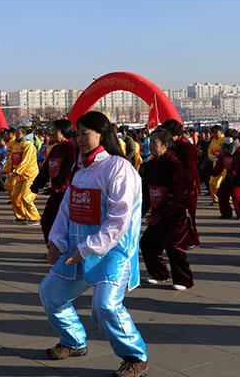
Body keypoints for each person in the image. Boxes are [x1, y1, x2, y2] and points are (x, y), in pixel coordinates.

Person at [39, 111, 148, 377]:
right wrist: (56, 241)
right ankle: (73, 340)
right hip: (76, 249)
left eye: (85, 133)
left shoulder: (118, 168)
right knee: (50, 294)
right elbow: (67, 210)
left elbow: (118, 220)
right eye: (78, 133)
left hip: (112, 252)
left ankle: (135, 356)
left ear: (102, 134)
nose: (80, 138)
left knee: (105, 306)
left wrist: (87, 249)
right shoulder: (81, 169)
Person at [140, 129, 193, 290]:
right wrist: (140, 213)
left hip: (174, 213)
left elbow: (174, 193)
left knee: (174, 247)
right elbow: (145, 192)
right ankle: (159, 274)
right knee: (148, 243)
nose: (151, 144)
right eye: (151, 141)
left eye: (155, 141)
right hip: (157, 213)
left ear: (166, 145)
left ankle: (183, 280)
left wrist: (161, 213)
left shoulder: (174, 164)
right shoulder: (149, 165)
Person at [161, 119, 201, 248]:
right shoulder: (171, 145)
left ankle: (191, 239)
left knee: (188, 214)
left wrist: (183, 185)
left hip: (187, 186)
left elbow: (190, 169)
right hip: (175, 185)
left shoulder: (185, 146)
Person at [40, 119, 79, 244]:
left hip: (65, 192)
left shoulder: (71, 148)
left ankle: (60, 248)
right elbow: (46, 169)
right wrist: (36, 185)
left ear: (63, 131)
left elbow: (70, 170)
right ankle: (53, 247)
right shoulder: (55, 149)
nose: (52, 133)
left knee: (61, 223)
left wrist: (63, 186)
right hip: (55, 192)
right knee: (47, 220)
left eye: (55, 130)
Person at [2, 126, 40, 225]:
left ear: (24, 134)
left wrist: (16, 171)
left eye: (19, 133)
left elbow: (26, 161)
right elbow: (10, 159)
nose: (17, 134)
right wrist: (6, 170)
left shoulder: (29, 145)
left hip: (29, 174)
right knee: (14, 196)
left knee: (25, 196)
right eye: (16, 132)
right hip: (19, 175)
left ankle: (34, 217)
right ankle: (21, 216)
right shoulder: (15, 145)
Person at [214, 129, 240, 219]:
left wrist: (235, 173)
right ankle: (226, 213)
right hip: (228, 175)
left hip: (238, 177)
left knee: (236, 195)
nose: (227, 139)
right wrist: (214, 172)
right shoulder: (224, 149)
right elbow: (220, 163)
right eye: (226, 136)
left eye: (229, 137)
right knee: (221, 193)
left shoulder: (239, 150)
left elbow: (239, 164)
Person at [206, 126, 225, 206]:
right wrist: (214, 159)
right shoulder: (213, 140)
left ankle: (228, 200)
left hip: (225, 166)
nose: (214, 134)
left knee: (223, 183)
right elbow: (209, 153)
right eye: (213, 132)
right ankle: (215, 200)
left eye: (215, 132)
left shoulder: (225, 140)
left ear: (220, 131)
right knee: (212, 182)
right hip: (216, 165)